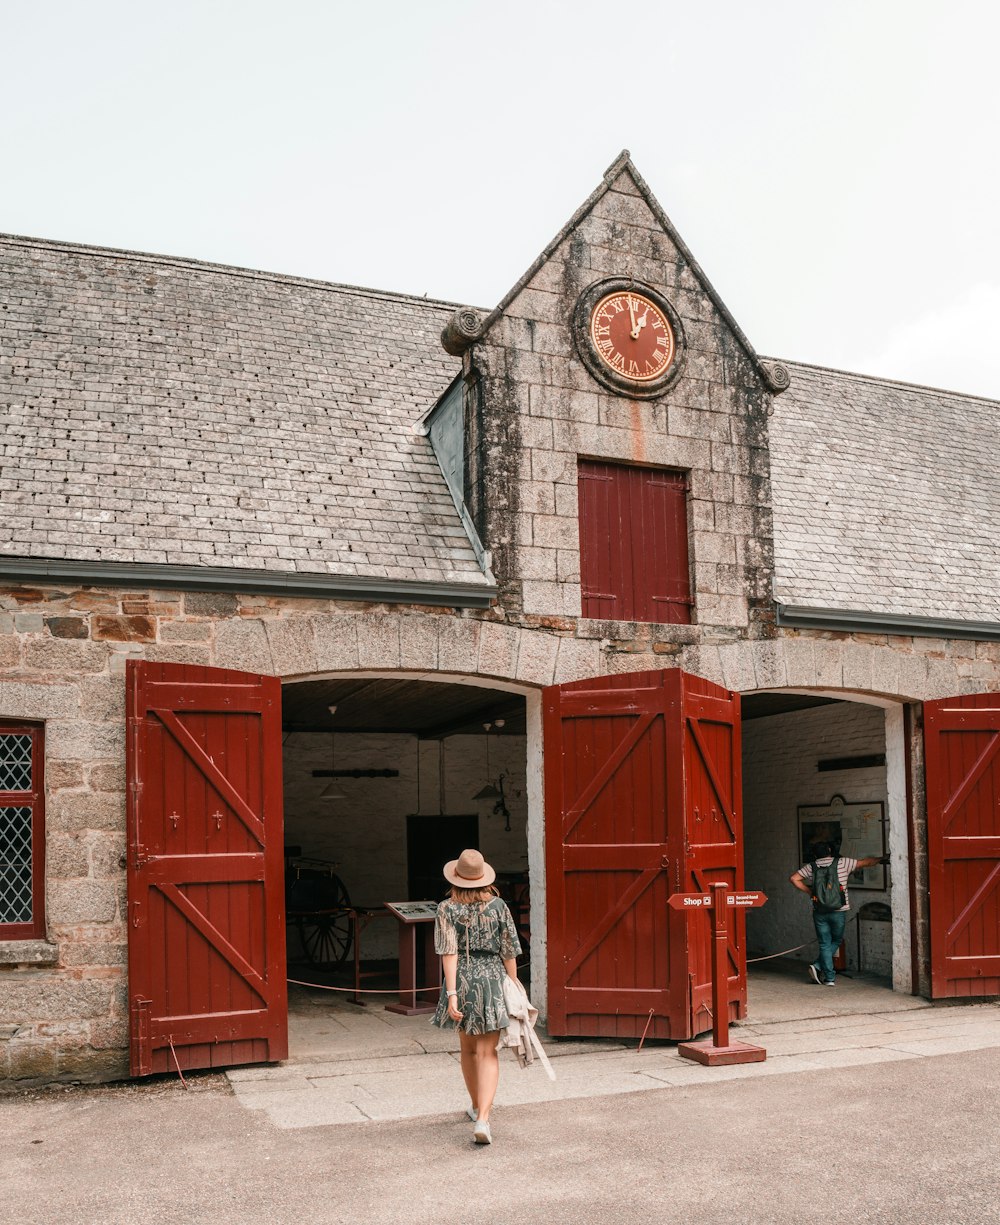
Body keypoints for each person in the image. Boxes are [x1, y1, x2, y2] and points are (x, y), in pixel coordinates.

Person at [430, 848, 522, 1145]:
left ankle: (474, 1106)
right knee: (488, 1052)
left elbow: (449, 951)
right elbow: (509, 950)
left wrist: (453, 992)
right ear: (484, 878)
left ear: (456, 877)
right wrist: (515, 985)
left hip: (464, 980)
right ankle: (483, 1117)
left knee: (468, 1050)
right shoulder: (499, 906)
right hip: (493, 978)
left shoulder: (447, 908)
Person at [789, 841, 889, 986]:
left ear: (815, 854)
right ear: (830, 850)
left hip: (820, 910)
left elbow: (794, 878)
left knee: (824, 943)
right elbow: (865, 863)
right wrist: (881, 859)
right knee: (836, 940)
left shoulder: (811, 866)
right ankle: (819, 969)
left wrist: (810, 892)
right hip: (838, 910)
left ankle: (829, 977)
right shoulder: (843, 863)